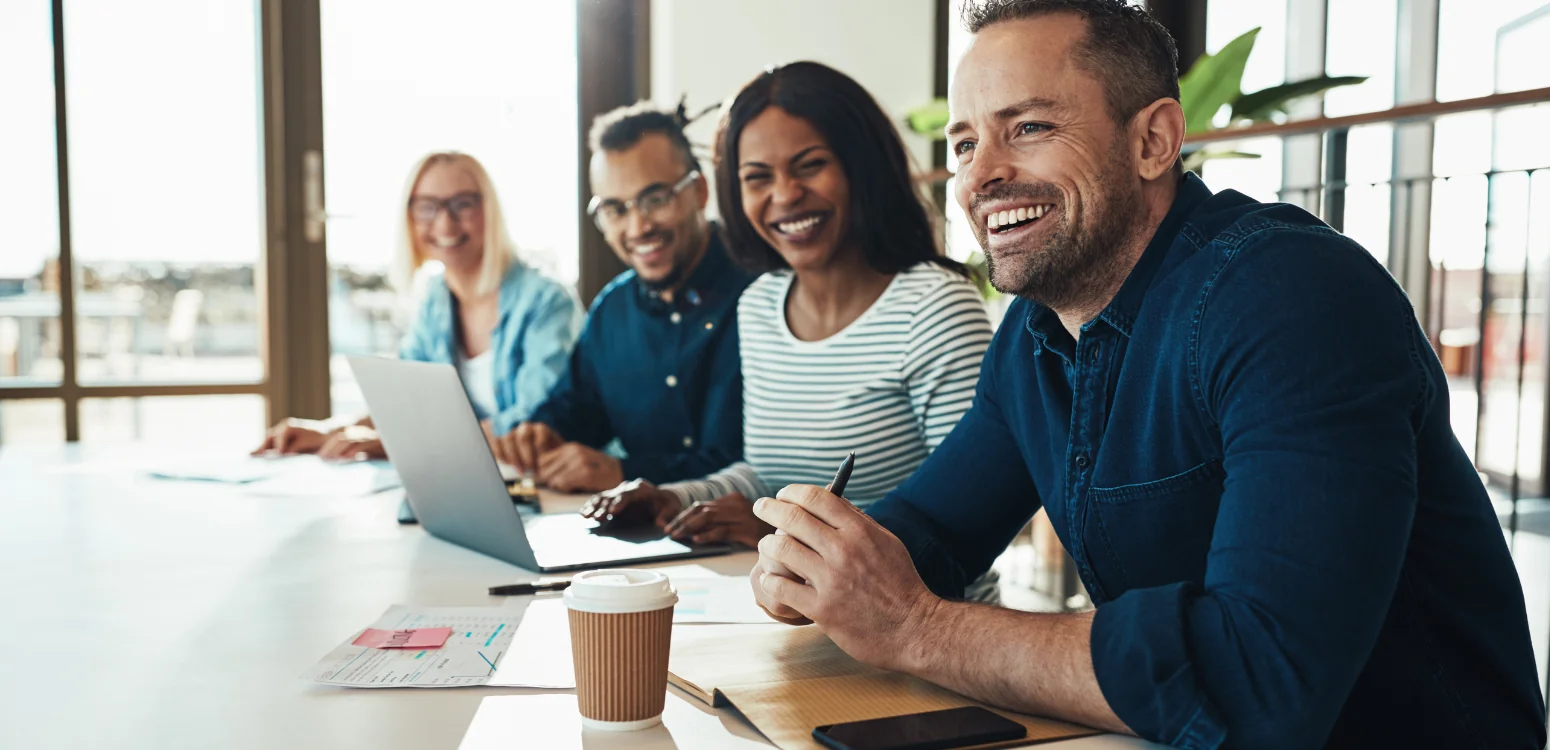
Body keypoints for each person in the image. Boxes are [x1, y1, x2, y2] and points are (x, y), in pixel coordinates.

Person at [745, 2, 1548, 749]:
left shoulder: (1290, 295)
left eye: (1026, 126)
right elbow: (935, 531)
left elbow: (1261, 676)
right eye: (963, 144)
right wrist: (820, 561)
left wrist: (919, 627)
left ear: (1154, 141)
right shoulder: (1035, 332)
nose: (981, 175)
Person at [581, 62, 993, 552]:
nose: (784, 195)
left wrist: (783, 534)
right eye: (758, 177)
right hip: (782, 611)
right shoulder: (759, 305)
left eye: (810, 166)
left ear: (859, 166)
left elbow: (970, 515)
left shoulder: (934, 307)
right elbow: (765, 476)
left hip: (913, 623)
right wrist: (673, 498)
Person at [487, 103, 755, 493]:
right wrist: (542, 434)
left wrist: (624, 472)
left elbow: (753, 465)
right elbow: (576, 409)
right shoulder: (613, 310)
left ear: (698, 191)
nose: (638, 227)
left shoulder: (762, 296)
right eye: (615, 209)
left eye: (656, 199)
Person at [254, 152, 578, 460]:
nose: (445, 224)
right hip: (471, 481)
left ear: (490, 210)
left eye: (462, 204)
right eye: (427, 207)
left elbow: (534, 425)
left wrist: (397, 444)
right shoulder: (436, 299)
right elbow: (406, 403)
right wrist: (330, 430)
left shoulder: (546, 301)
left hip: (548, 486)